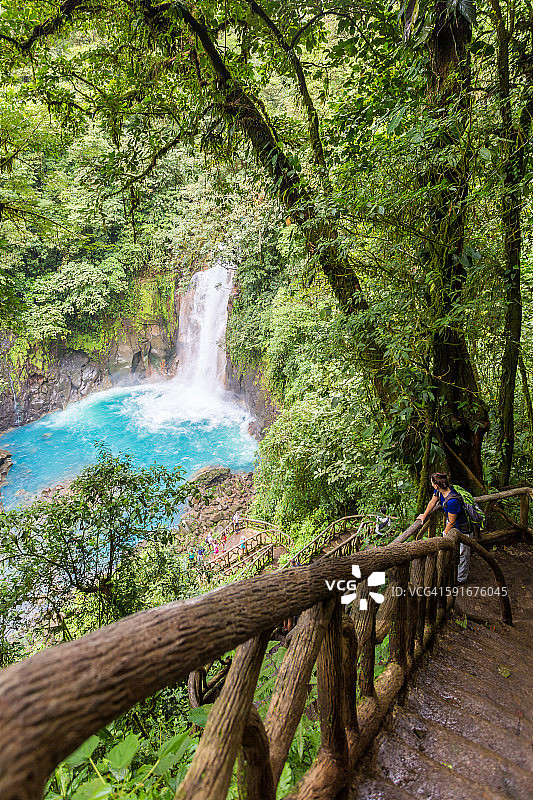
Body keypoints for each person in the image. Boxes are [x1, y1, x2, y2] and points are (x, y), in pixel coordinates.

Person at [417, 472, 471, 583]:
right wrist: (424, 515)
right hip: (452, 524)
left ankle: (461, 579)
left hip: (463, 527)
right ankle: (450, 572)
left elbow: (451, 522)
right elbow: (433, 501)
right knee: (453, 550)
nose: (431, 484)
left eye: (432, 483)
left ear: (436, 485)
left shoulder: (452, 501)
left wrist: (444, 534)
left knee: (463, 553)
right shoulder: (439, 490)